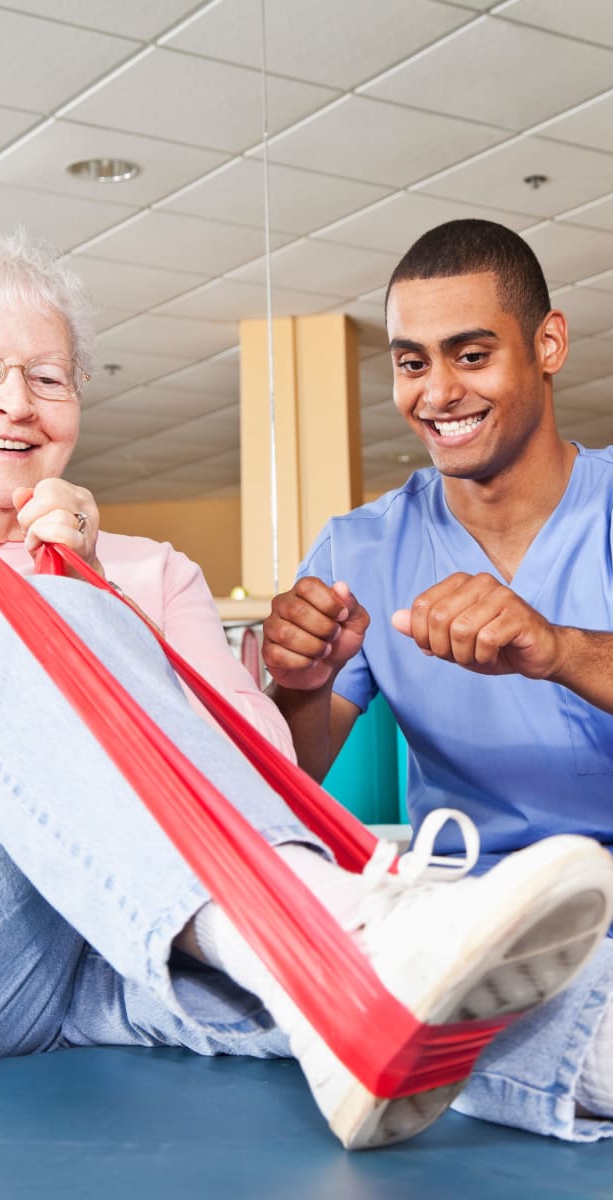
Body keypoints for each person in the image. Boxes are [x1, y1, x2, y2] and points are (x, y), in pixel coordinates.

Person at [0, 232, 611, 1155]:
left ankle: (577, 1045)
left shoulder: (151, 574)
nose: (14, 403)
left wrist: (92, 589)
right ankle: (336, 941)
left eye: (47, 377)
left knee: (343, 988)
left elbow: (262, 794)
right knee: (17, 623)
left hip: (73, 961)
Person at [262, 217, 613, 1141]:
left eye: (470, 353)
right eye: (412, 362)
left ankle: (451, 1055)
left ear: (547, 345)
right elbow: (287, 781)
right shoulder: (360, 547)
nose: (438, 392)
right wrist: (298, 686)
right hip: (471, 929)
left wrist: (559, 648)